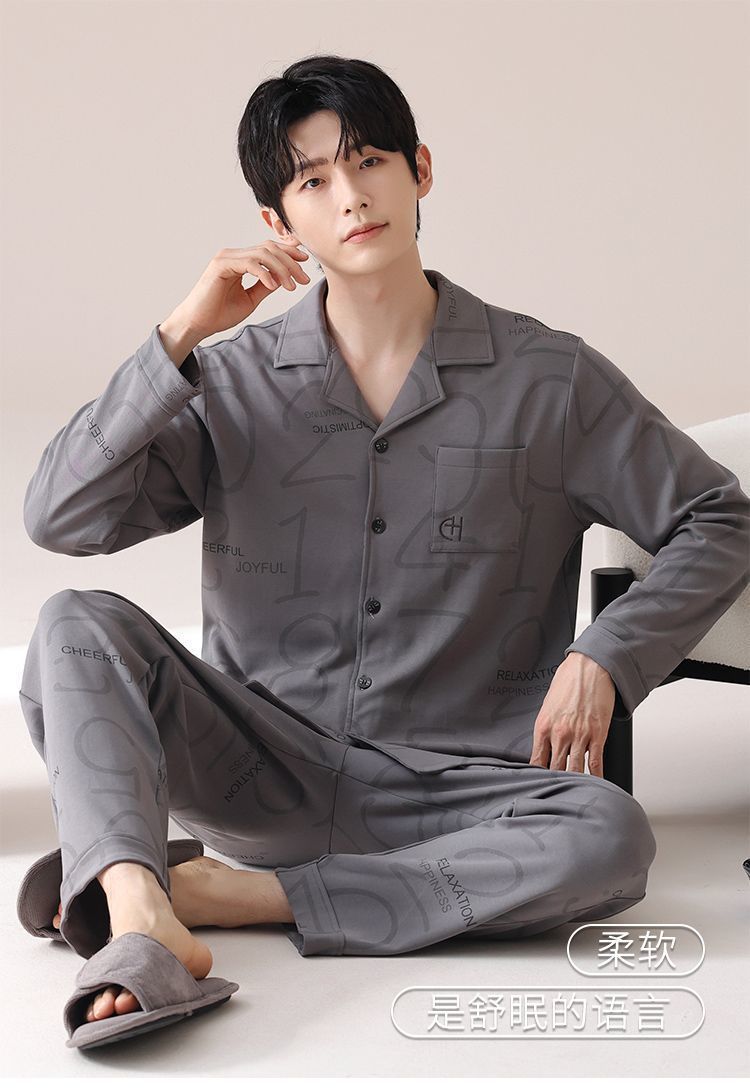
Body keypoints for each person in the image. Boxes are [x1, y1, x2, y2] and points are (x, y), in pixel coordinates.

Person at [18, 53, 750, 1033]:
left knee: (610, 833)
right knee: (72, 625)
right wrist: (182, 331)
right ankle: (141, 910)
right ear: (279, 220)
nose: (351, 196)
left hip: (457, 791)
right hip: (256, 770)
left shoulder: (550, 380)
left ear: (421, 171)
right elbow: (59, 516)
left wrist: (606, 656)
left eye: (369, 162)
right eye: (313, 180)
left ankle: (213, 894)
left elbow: (718, 517)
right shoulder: (231, 383)